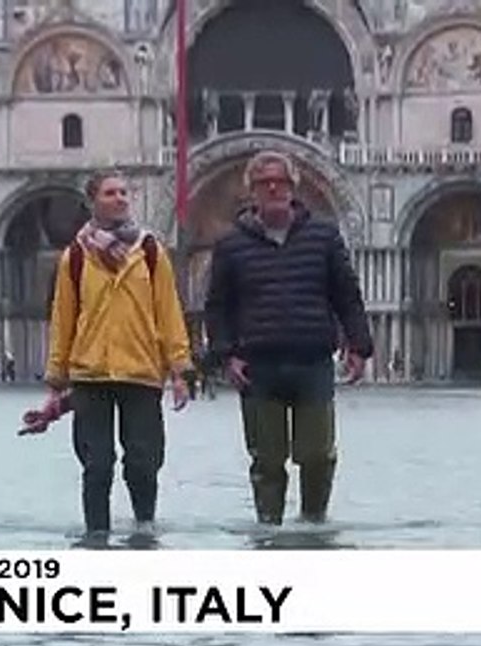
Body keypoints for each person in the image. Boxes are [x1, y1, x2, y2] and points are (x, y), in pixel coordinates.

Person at [204, 150, 374, 526]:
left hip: (312, 359)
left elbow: (346, 293)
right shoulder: (231, 244)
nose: (274, 188)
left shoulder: (323, 235)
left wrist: (359, 346)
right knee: (266, 458)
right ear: (251, 192)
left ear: (293, 187)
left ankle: (314, 522)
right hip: (258, 365)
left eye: (281, 181)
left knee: (317, 453)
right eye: (265, 183)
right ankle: (269, 527)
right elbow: (217, 306)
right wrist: (226, 354)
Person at [38, 170, 192, 540]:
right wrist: (56, 381)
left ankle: (144, 529)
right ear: (94, 201)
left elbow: (168, 311)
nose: (120, 198)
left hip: (140, 372)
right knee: (97, 464)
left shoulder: (151, 252)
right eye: (111, 192)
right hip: (90, 374)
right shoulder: (74, 257)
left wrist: (180, 369)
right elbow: (64, 318)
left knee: (143, 462)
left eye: (124, 192)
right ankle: (96, 538)